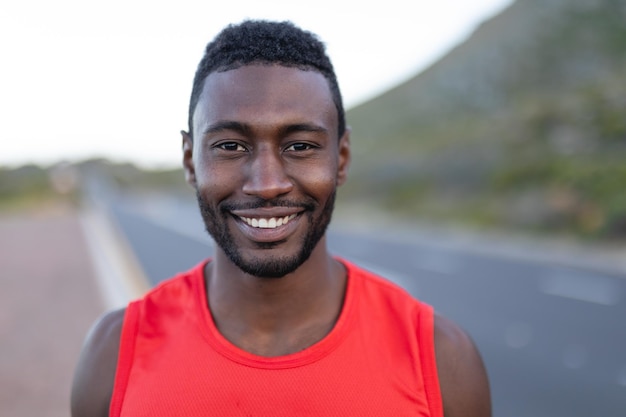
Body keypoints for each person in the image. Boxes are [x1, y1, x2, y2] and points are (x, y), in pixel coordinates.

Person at [71, 20, 491, 417]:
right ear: (190, 160)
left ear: (340, 159)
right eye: (231, 146)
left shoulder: (440, 360)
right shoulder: (113, 355)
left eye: (301, 146)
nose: (267, 184)